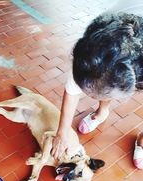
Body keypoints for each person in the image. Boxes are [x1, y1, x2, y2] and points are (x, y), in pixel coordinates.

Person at [51, 0, 143, 169]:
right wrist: (62, 132)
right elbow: (72, 90)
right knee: (105, 80)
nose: (88, 97)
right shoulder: (91, 50)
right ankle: (102, 112)